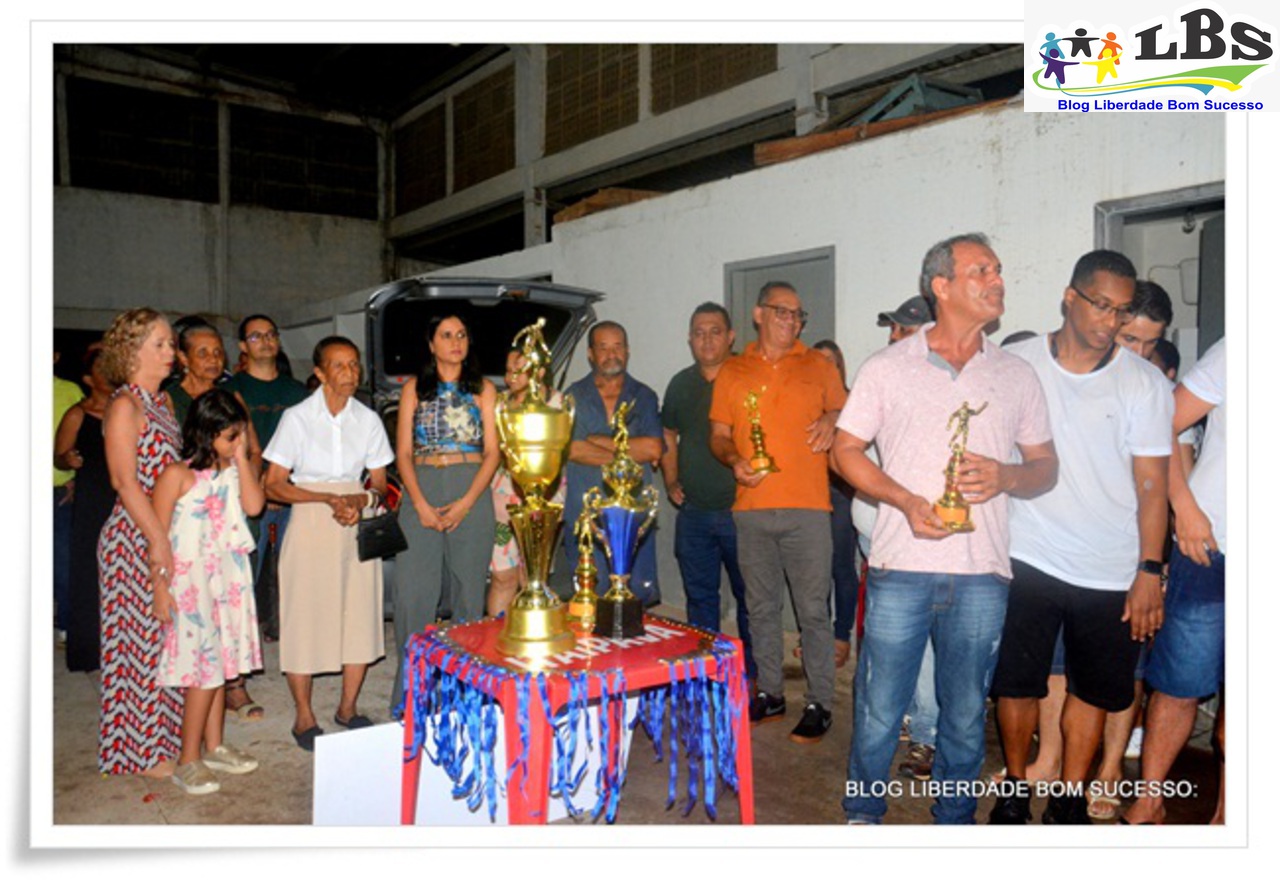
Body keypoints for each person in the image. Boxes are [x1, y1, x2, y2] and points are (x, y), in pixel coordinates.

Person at [834, 233, 1057, 824]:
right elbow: (845, 451)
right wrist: (904, 501)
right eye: (981, 270)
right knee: (879, 708)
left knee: (963, 714)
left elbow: (1045, 467)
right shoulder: (887, 368)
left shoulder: (1015, 374)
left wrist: (1007, 475)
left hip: (982, 572)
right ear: (942, 286)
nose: (997, 279)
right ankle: (863, 814)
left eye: (998, 269)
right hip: (900, 566)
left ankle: (955, 820)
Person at [990, 249, 1172, 825]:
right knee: (1017, 684)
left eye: (1121, 311)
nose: (1110, 321)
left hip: (1109, 565)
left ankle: (1068, 797)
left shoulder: (1143, 383)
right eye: (1100, 305)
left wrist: (1148, 570)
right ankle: (1016, 788)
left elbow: (1152, 487)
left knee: (1092, 691)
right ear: (1070, 298)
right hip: (1027, 553)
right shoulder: (1017, 363)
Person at [709, 281, 846, 744]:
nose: (791, 321)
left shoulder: (819, 365)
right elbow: (719, 435)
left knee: (813, 611)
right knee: (760, 607)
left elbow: (849, 414)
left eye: (797, 314)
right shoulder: (733, 370)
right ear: (758, 314)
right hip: (751, 508)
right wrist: (734, 459)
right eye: (782, 312)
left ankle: (820, 701)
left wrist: (833, 419)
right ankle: (770, 692)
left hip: (809, 508)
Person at [263, 336, 395, 751]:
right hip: (310, 518)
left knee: (360, 613)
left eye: (354, 364)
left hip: (356, 520)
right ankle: (304, 714)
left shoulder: (368, 420)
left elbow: (381, 483)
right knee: (304, 616)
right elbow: (273, 484)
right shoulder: (298, 418)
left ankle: (348, 707)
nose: (350, 373)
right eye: (339, 365)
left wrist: (360, 500)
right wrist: (326, 498)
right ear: (320, 373)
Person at [1125, 337, 1226, 825]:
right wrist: (1183, 507)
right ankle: (1150, 801)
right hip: (1209, 546)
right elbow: (1161, 422)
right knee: (1179, 683)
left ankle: (1230, 817)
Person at [152, 389, 265, 795]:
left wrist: (242, 457)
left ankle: (214, 746)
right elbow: (157, 536)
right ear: (206, 433)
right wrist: (159, 586)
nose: (237, 443)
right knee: (202, 670)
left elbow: (254, 507)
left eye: (240, 435)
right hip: (192, 582)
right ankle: (188, 758)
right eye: (229, 436)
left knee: (223, 662)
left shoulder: (233, 472)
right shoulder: (176, 475)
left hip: (229, 579)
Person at [392, 314, 499, 712]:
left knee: (469, 594)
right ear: (431, 344)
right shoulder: (413, 389)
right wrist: (419, 503)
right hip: (421, 486)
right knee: (412, 593)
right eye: (446, 335)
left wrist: (467, 502)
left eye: (462, 335)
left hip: (470, 487)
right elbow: (403, 453)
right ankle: (413, 692)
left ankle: (464, 694)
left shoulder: (484, 389)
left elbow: (493, 453)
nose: (456, 342)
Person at [96, 307, 184, 777]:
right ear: (132, 350)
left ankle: (166, 739)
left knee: (166, 641)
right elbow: (124, 482)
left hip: (161, 529)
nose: (171, 352)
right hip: (134, 536)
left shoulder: (162, 403)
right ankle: (140, 750)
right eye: (160, 344)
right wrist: (157, 541)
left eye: (171, 343)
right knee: (139, 647)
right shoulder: (125, 405)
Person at [660, 303, 756, 683]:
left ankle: (752, 678)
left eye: (715, 331)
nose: (707, 340)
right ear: (690, 339)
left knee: (751, 600)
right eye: (699, 333)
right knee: (700, 600)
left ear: (730, 336)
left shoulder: (748, 377)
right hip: (695, 513)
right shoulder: (681, 384)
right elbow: (668, 433)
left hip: (742, 512)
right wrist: (670, 480)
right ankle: (707, 676)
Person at [222, 314, 309, 647]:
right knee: (246, 569)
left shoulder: (298, 392)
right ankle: (238, 642)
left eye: (270, 334)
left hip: (292, 492)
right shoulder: (230, 390)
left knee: (294, 569)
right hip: (246, 493)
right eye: (256, 336)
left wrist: (281, 486)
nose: (266, 341)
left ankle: (291, 633)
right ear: (243, 346)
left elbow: (308, 445)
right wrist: (261, 485)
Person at [563, 321, 663, 605]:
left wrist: (596, 441)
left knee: (635, 599)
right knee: (588, 597)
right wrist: (627, 456)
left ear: (627, 351)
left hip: (633, 513)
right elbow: (572, 449)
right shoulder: (573, 395)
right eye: (603, 348)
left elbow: (653, 447)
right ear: (590, 354)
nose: (611, 354)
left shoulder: (644, 396)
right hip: (586, 512)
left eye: (617, 347)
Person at [489, 347, 566, 617]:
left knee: (533, 577)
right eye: (508, 371)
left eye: (518, 371)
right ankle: (497, 635)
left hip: (545, 497)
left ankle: (534, 632)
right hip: (503, 498)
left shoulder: (558, 404)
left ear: (540, 372)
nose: (510, 378)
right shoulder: (500, 404)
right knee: (502, 577)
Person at [55, 343, 116, 673]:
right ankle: (88, 651)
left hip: (123, 497)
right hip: (93, 500)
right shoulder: (77, 414)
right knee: (89, 573)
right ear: (89, 379)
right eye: (103, 369)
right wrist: (68, 459)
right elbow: (59, 456)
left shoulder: (127, 409)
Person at [811, 339, 856, 671]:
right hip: (809, 494)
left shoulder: (854, 401)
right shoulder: (804, 400)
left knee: (841, 565)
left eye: (831, 361)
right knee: (814, 570)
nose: (825, 367)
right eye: (819, 361)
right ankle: (817, 636)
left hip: (841, 493)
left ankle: (841, 637)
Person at [53, 349, 85, 646]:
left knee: (63, 560)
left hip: (59, 490)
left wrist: (75, 476)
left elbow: (76, 444)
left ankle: (65, 623)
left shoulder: (70, 391)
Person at [166, 319, 228, 426]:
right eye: (203, 353)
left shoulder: (228, 396)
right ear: (184, 358)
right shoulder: (169, 399)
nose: (213, 359)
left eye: (218, 352)